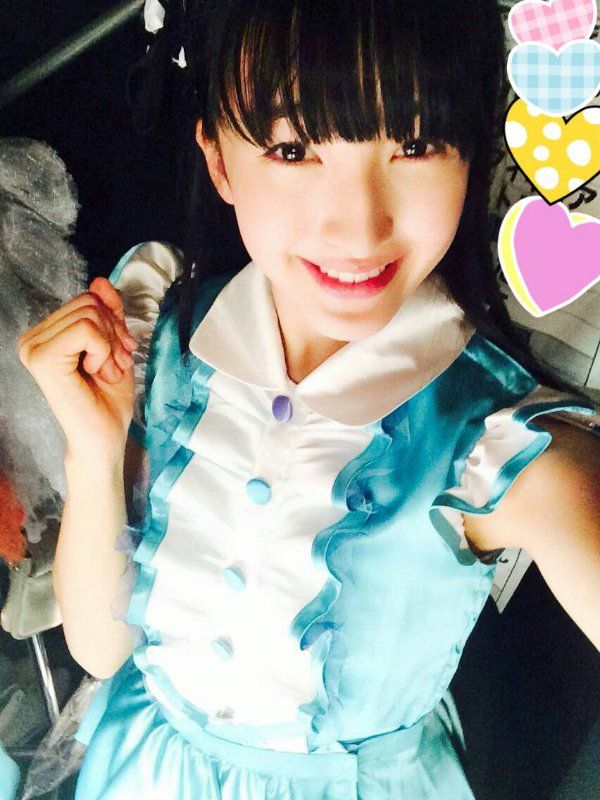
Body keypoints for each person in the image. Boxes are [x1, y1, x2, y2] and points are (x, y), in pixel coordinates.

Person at [16, 1, 600, 798]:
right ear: (219, 161)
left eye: (416, 144)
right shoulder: (164, 336)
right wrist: (93, 451)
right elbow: (101, 650)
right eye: (293, 149)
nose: (359, 227)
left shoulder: (505, 447)